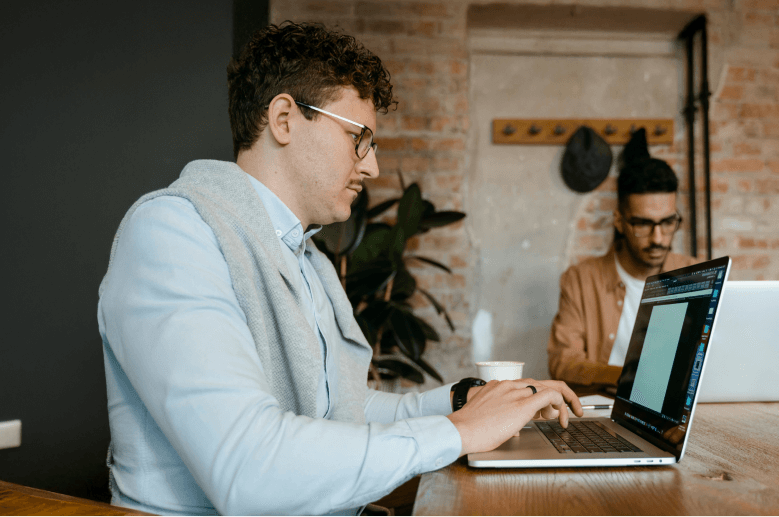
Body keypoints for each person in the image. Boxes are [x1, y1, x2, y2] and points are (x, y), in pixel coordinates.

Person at [98, 22, 582, 516]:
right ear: (284, 119)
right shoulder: (173, 233)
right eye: (359, 138)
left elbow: (347, 409)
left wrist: (466, 402)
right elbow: (248, 469)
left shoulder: (310, 262)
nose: (371, 167)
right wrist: (458, 432)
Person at [547, 136, 698, 389]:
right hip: (605, 407)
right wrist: (630, 377)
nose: (658, 238)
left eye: (668, 222)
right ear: (619, 221)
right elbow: (563, 361)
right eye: (642, 224)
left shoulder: (694, 275)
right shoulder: (581, 279)